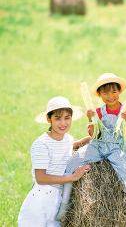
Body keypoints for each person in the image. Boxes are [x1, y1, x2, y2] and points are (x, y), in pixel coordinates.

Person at [56, 73, 126, 221]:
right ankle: (65, 203)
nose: (110, 96)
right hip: (100, 144)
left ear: (120, 92)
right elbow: (95, 136)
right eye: (105, 93)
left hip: (118, 146)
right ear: (100, 95)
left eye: (114, 92)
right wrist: (92, 120)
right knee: (73, 161)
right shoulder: (98, 112)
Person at [17, 96, 91, 227]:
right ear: (48, 119)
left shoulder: (67, 139)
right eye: (57, 118)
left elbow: (67, 147)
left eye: (67, 117)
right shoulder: (41, 144)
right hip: (40, 200)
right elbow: (41, 178)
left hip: (57, 201)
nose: (63, 123)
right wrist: (73, 177)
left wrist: (84, 141)